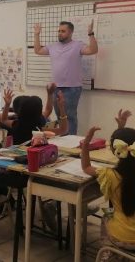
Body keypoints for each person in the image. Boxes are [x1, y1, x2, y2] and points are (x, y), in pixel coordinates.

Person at [81, 109, 135, 261]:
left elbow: (86, 167)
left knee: (107, 212)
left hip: (120, 236)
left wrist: (86, 142)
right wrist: (122, 129)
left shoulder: (110, 175)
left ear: (113, 149)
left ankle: (109, 253)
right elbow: (123, 151)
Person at [34, 20, 98, 134]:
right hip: (56, 88)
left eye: (63, 31)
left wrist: (91, 34)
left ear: (70, 32)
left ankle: (71, 141)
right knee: (59, 116)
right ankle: (63, 139)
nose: (60, 33)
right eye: (59, 31)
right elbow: (38, 50)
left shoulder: (78, 45)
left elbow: (93, 50)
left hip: (72, 88)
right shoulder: (53, 46)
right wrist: (37, 34)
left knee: (70, 116)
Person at [0, 88, 68, 145]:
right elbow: (63, 130)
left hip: (18, 159)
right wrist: (61, 107)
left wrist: (7, 105)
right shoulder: (39, 127)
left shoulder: (17, 124)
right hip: (34, 158)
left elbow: (3, 120)